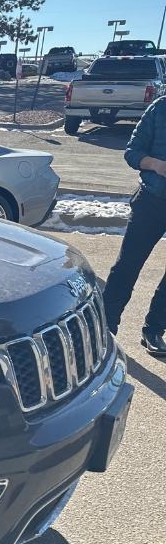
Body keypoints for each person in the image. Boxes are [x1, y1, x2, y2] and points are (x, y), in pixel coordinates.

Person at [102, 95, 166, 355]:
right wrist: (155, 164)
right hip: (151, 200)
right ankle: (105, 329)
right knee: (127, 266)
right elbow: (132, 152)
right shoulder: (160, 108)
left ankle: (153, 330)